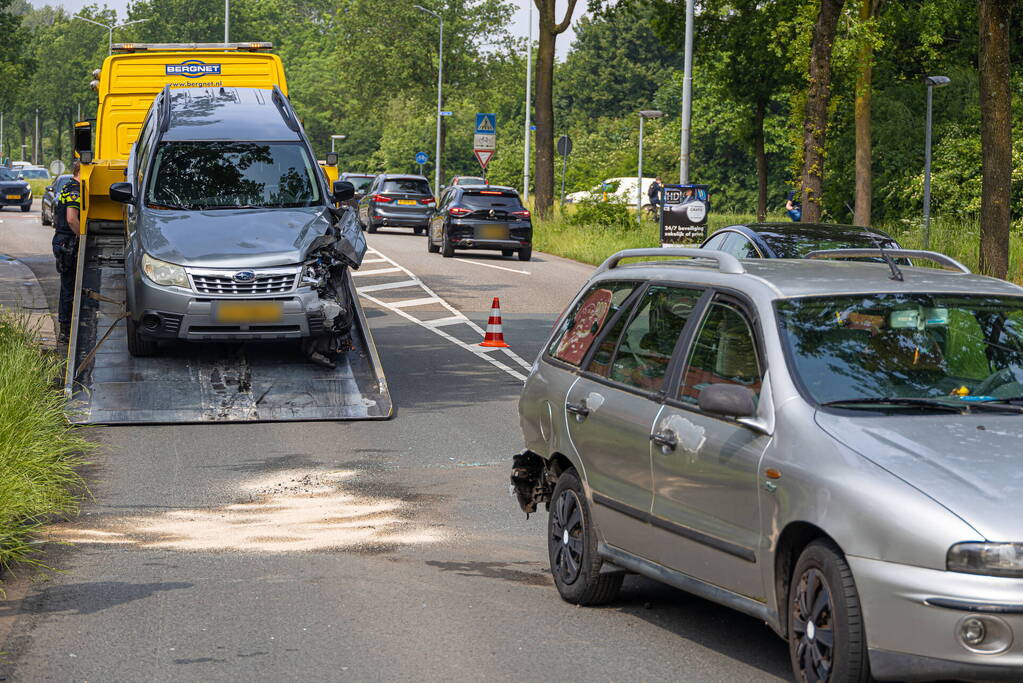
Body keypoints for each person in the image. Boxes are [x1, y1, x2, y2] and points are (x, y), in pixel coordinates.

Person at [53, 160, 81, 343]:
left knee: (67, 285)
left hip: (62, 240)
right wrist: (83, 236)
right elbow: (71, 219)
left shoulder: (68, 186)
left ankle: (66, 329)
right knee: (69, 286)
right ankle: (65, 331)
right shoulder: (75, 190)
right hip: (67, 242)